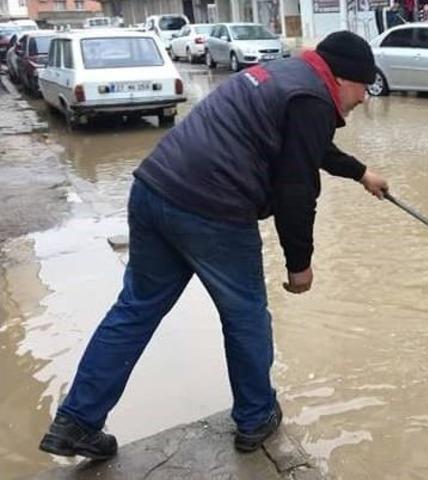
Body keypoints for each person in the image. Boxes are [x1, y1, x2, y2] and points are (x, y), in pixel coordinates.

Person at [38, 30, 388, 459]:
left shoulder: (287, 75)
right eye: (364, 88)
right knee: (245, 316)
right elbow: (296, 190)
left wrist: (359, 172)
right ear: (344, 78)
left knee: (135, 310)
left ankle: (77, 421)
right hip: (213, 209)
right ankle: (257, 417)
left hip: (154, 190)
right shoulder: (313, 99)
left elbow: (304, 145)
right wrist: (301, 264)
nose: (364, 99)